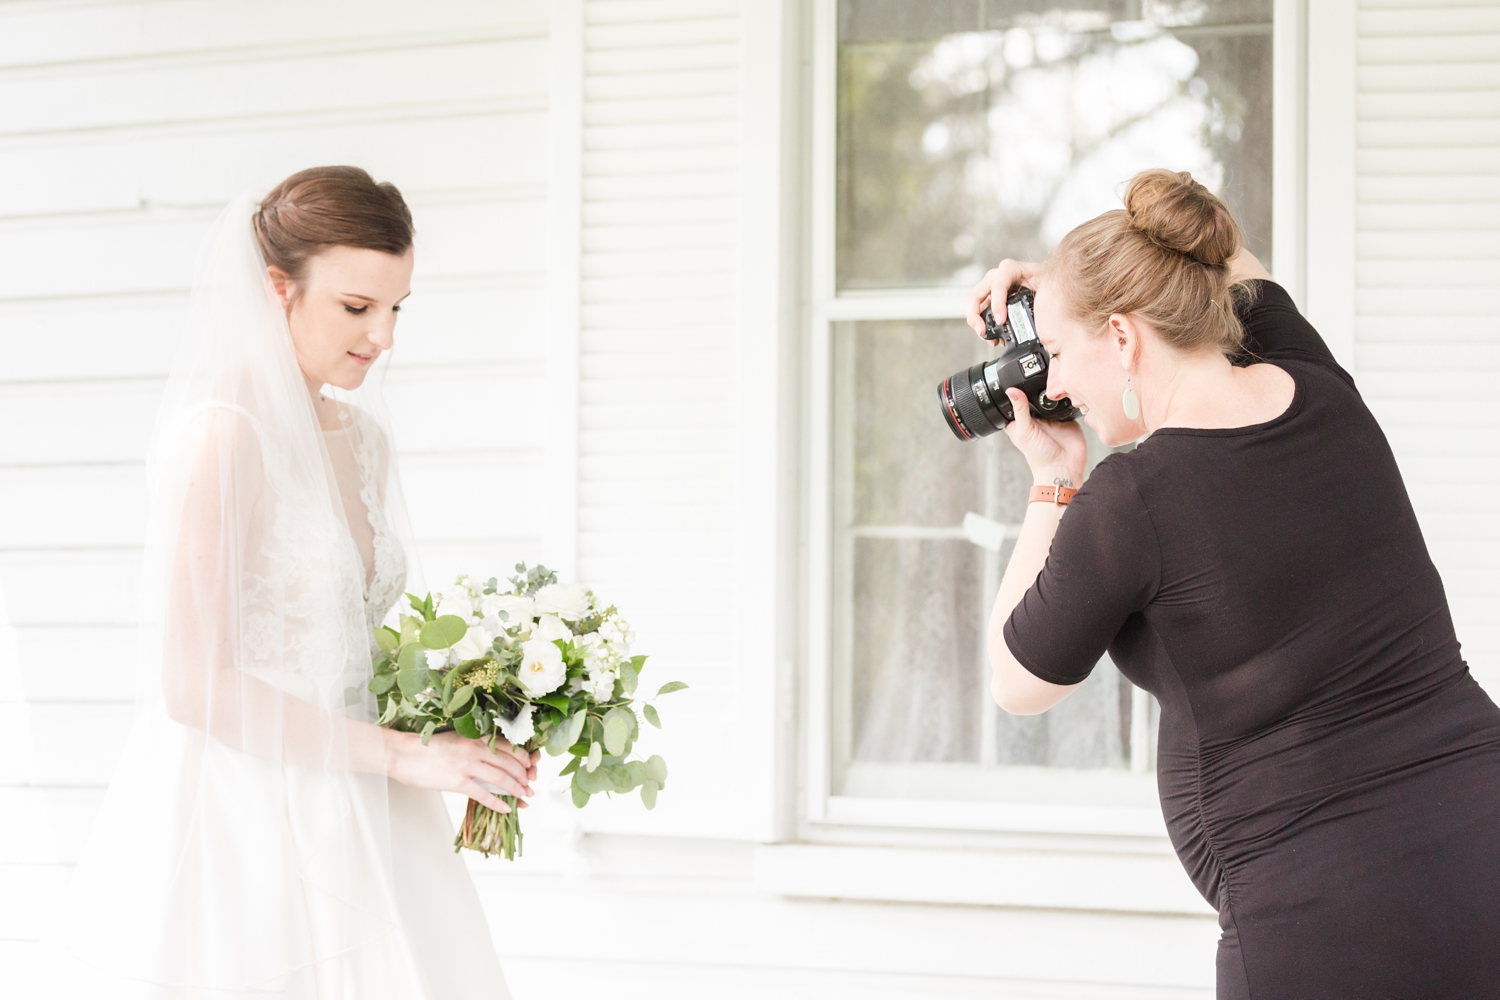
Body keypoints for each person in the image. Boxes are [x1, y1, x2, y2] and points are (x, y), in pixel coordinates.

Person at [970, 169, 1500, 998]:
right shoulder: (1314, 379)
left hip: (1327, 916)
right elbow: (1226, 252)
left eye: (1061, 353)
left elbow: (1015, 681)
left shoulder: (1132, 496)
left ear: (1122, 335)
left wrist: (1051, 477)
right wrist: (1068, 277)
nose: (1056, 383)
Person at [59, 167, 533, 998]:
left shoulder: (364, 439)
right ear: (279, 288)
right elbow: (194, 685)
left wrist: (473, 710)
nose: (383, 336)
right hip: (245, 814)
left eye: (397, 308)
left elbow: (352, 636)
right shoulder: (222, 437)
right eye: (357, 308)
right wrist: (405, 756)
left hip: (370, 799)